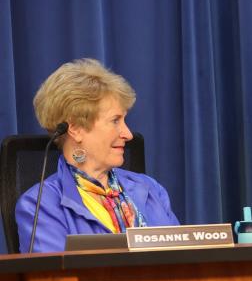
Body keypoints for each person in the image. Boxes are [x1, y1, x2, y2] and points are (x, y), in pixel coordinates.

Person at [15, 58, 179, 253]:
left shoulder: (151, 189)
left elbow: (185, 263)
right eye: (115, 121)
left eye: (124, 120)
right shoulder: (40, 205)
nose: (127, 134)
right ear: (75, 128)